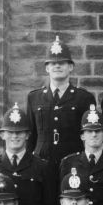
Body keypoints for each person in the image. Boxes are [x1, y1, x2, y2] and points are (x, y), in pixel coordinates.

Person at [27, 35, 97, 170]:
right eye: (53, 63)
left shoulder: (84, 98)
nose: (57, 66)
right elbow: (30, 136)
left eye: (62, 63)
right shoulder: (34, 98)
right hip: (41, 164)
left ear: (70, 67)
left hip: (74, 163)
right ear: (47, 68)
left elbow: (89, 135)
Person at [0, 103, 56, 205]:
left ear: (27, 135)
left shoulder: (42, 167)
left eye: (20, 132)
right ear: (2, 135)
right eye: (10, 132)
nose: (15, 136)